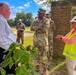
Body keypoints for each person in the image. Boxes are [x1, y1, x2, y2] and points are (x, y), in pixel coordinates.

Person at [30, 8, 50, 75]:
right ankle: (37, 68)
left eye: (40, 13)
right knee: (36, 55)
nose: (38, 14)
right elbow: (31, 28)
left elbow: (44, 29)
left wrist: (36, 27)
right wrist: (39, 27)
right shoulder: (35, 20)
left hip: (43, 42)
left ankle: (45, 70)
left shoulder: (46, 21)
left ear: (43, 14)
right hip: (36, 41)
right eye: (38, 13)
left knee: (44, 56)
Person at [0, 2, 16, 74]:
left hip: (5, 49)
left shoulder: (2, 20)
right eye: (8, 9)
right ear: (2, 10)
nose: (10, 11)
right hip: (4, 51)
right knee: (9, 70)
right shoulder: (1, 20)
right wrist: (11, 50)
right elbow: (1, 41)